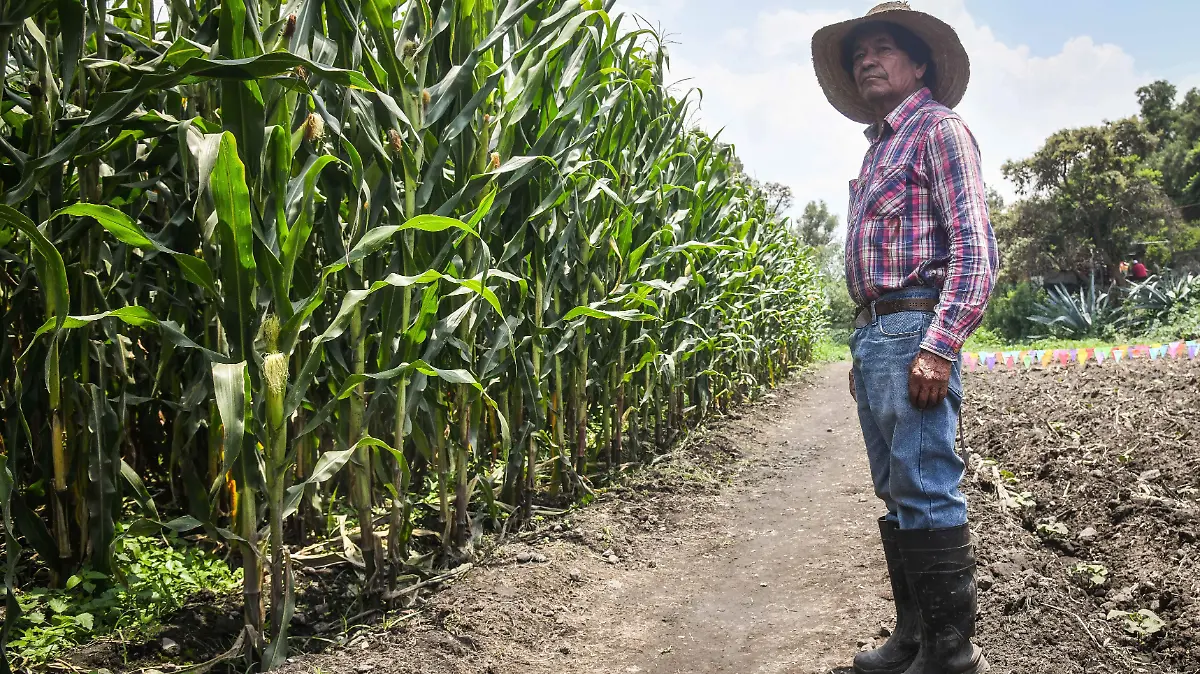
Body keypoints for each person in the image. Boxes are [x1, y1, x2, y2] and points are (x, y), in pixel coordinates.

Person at [811, 3, 997, 673]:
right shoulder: (883, 144)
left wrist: (938, 345)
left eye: (882, 47)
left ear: (918, 63)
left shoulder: (938, 130)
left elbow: (976, 249)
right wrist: (867, 347)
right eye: (859, 52)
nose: (866, 59)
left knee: (925, 485)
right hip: (878, 335)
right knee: (896, 489)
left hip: (917, 324)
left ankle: (952, 655)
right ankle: (914, 637)